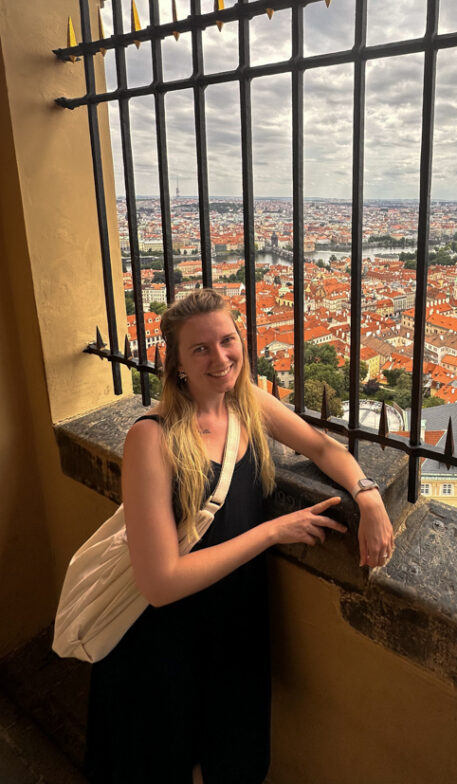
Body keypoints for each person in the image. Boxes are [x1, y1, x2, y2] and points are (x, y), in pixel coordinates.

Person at [85, 288, 394, 784]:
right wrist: (274, 531)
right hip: (163, 639)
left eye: (227, 341)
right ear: (177, 363)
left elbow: (320, 445)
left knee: (239, 762)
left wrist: (369, 494)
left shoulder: (248, 404)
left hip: (235, 624)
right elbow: (160, 584)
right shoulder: (152, 436)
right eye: (200, 348)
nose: (220, 357)